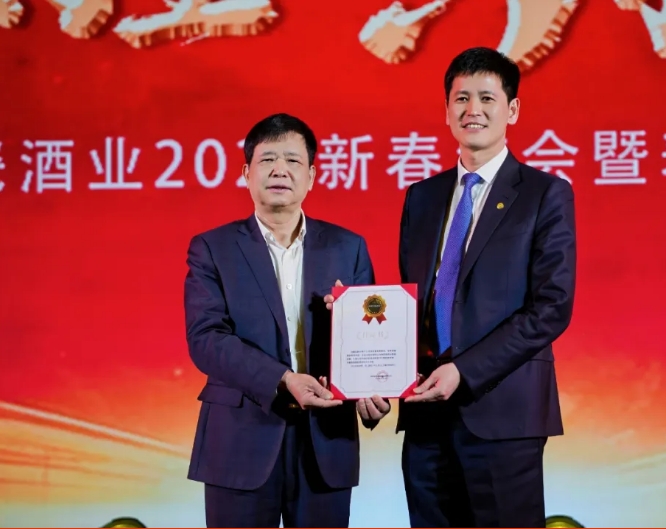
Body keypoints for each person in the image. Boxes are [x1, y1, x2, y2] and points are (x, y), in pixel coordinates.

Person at [183, 113, 391, 528]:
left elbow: (368, 339)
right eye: (268, 159)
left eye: (293, 160)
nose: (280, 169)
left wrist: (373, 393)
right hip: (239, 438)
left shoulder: (348, 247)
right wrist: (282, 379)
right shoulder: (212, 248)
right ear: (246, 173)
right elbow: (206, 340)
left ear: (311, 176)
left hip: (325, 440)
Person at [398, 47, 576, 527]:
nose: (472, 109)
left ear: (512, 110)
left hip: (503, 415)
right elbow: (413, 304)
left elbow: (552, 306)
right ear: (446, 111)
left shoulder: (544, 193)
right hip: (426, 418)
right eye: (461, 98)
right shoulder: (422, 197)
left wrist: (464, 370)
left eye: (486, 98)